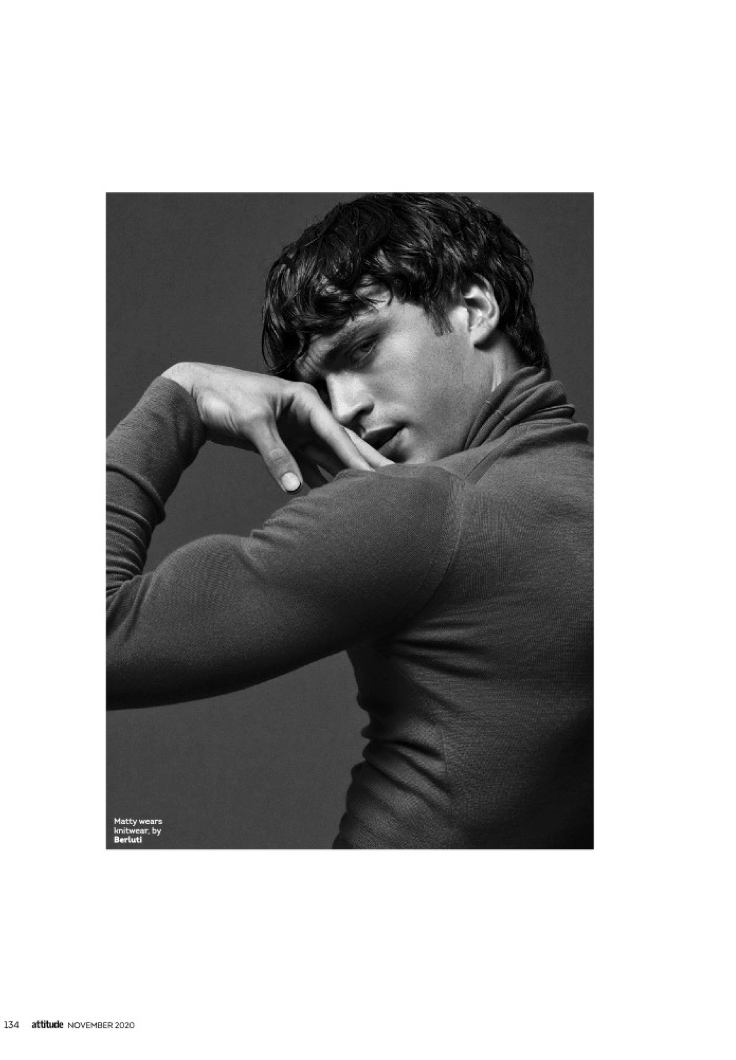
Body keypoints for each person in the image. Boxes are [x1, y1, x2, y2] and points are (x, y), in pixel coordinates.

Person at [106, 193, 593, 848]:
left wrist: (181, 397)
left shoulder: (419, 509)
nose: (343, 408)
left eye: (362, 348)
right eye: (321, 386)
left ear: (475, 308)